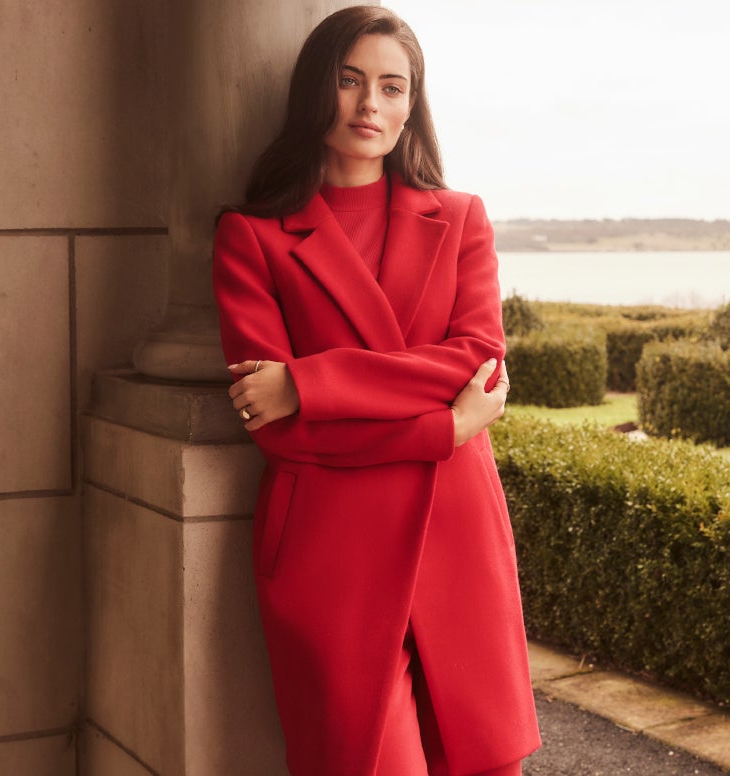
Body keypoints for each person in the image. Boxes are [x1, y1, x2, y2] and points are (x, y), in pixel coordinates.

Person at [211, 6, 541, 774]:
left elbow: (478, 362)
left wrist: (309, 380)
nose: (370, 105)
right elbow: (278, 430)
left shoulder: (461, 220)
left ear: (410, 108)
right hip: (333, 554)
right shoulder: (252, 236)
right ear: (315, 91)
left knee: (484, 761)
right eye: (350, 80)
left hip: (455, 537)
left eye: (393, 88)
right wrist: (440, 428)